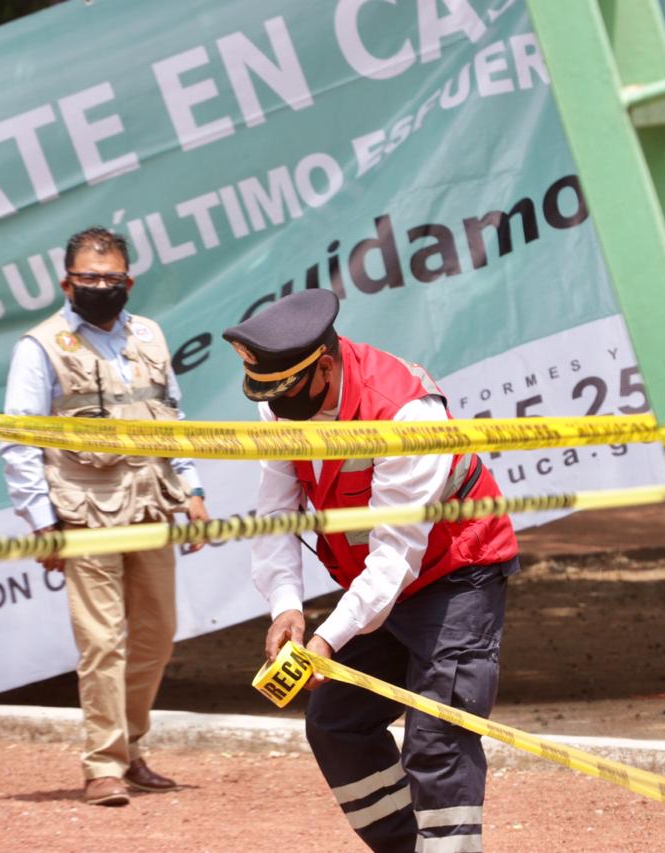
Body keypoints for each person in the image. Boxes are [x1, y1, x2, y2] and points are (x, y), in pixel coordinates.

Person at [221, 289, 519, 853]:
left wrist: (325, 640)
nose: (277, 409)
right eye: (269, 397)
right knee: (336, 723)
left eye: (286, 394)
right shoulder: (283, 401)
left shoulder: (406, 412)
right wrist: (286, 606)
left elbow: (395, 556)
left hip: (457, 573)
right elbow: (276, 513)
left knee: (438, 738)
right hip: (378, 588)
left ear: (325, 366)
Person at [0, 226, 210, 807]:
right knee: (102, 640)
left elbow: (171, 415)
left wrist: (191, 487)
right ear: (66, 283)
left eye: (110, 278)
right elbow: (18, 441)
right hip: (84, 509)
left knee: (157, 634)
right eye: (88, 278)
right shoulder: (41, 346)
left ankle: (131, 746)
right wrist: (42, 523)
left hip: (152, 502)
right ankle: (103, 764)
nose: (99, 286)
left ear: (128, 282)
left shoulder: (149, 335)